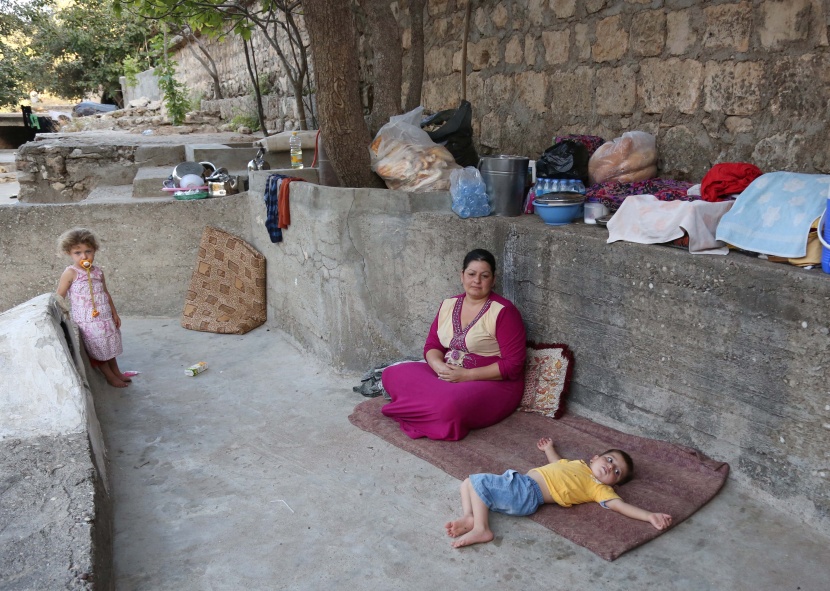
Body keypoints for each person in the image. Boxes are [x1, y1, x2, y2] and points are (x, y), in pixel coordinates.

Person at [381, 248, 526, 441]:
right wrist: (438, 366)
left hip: (490, 382)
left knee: (448, 405)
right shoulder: (449, 304)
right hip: (448, 373)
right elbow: (432, 345)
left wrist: (466, 375)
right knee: (392, 374)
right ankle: (428, 406)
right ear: (462, 276)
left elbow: (514, 365)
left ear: (493, 280)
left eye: (484, 276)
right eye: (471, 274)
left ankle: (421, 407)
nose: (477, 281)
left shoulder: (504, 311)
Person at [445, 437, 673, 548]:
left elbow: (620, 506)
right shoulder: (577, 465)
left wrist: (649, 515)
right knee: (467, 482)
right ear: (595, 458)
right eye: (610, 460)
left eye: (616, 472)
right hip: (519, 483)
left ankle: (482, 529)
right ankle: (470, 516)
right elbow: (557, 464)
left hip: (528, 494)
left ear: (614, 484)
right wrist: (549, 449)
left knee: (478, 482)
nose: (610, 467)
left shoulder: (598, 488)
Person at [56, 228, 130, 388]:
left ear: (94, 250)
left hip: (104, 317)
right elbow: (59, 295)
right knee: (98, 348)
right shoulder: (71, 273)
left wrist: (114, 313)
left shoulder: (98, 272)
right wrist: (61, 316)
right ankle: (109, 376)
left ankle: (117, 372)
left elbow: (105, 293)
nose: (84, 256)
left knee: (109, 344)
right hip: (87, 321)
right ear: (69, 253)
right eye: (78, 253)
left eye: (88, 251)